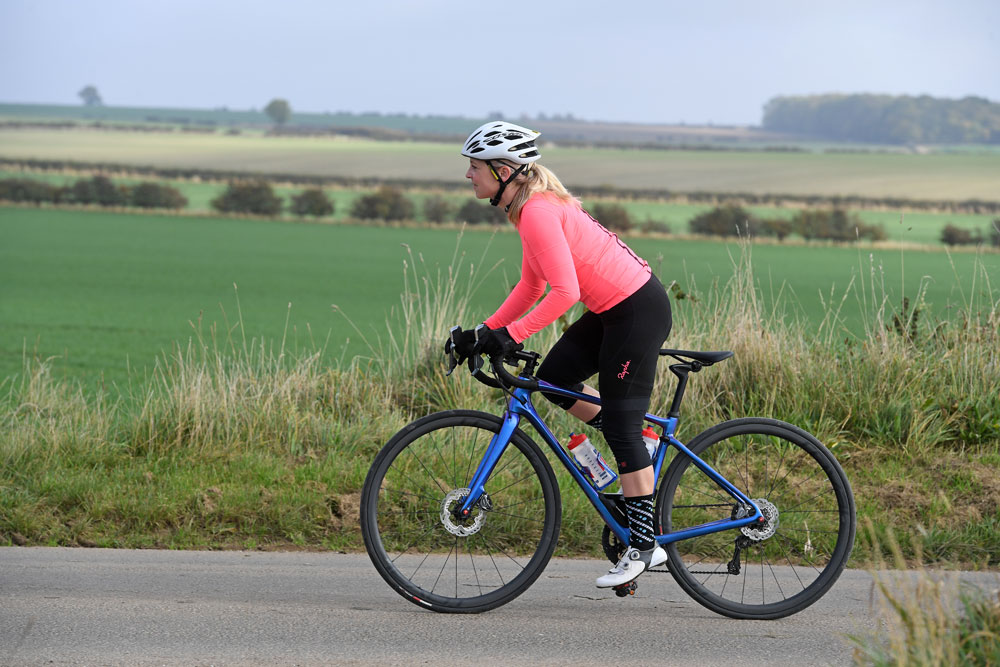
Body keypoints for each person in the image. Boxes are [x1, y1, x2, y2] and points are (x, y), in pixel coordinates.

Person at [451, 120, 673, 588]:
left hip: (635, 311)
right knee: (553, 378)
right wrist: (484, 332)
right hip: (613, 310)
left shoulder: (537, 212)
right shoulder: (529, 209)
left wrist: (511, 334)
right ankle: (643, 438)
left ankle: (645, 545)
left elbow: (564, 291)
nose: (468, 175)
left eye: (474, 166)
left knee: (620, 428)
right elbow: (532, 285)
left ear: (503, 169)